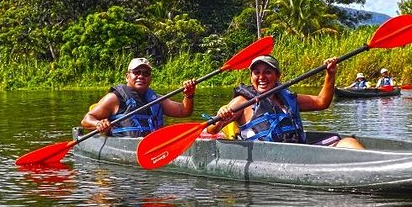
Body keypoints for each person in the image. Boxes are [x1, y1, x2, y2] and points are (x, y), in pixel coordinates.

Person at [207, 55, 364, 149]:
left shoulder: (288, 98)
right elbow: (212, 130)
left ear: (277, 76)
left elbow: (322, 102)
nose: (261, 77)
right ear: (251, 77)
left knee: (349, 142)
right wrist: (221, 117)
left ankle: (369, 167)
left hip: (300, 153)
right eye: (257, 73)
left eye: (268, 72)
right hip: (266, 157)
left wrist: (330, 74)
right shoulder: (243, 101)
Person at [81, 57, 197, 136]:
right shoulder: (113, 99)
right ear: (127, 76)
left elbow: (184, 111)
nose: (141, 76)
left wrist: (189, 95)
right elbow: (86, 119)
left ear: (150, 78)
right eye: (136, 72)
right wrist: (97, 124)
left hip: (153, 145)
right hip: (124, 144)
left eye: (146, 73)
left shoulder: (156, 99)